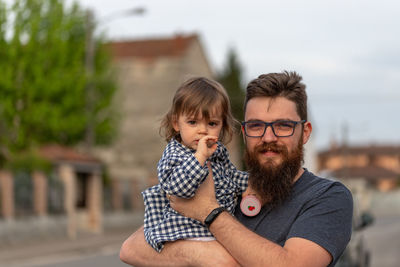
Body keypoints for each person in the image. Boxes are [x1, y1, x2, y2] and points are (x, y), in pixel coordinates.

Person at [120, 71, 353, 267]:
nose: (267, 137)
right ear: (244, 133)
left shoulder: (327, 197)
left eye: (283, 126)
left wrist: (210, 212)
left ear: (306, 132)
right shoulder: (220, 182)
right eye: (256, 126)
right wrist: (203, 253)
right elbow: (131, 248)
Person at [141, 77, 249, 252]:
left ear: (222, 126)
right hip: (186, 231)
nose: (202, 130)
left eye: (212, 123)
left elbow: (232, 176)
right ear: (176, 123)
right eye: (192, 122)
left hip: (217, 229)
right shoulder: (175, 154)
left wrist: (253, 184)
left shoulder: (217, 151)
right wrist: (199, 157)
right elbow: (177, 189)